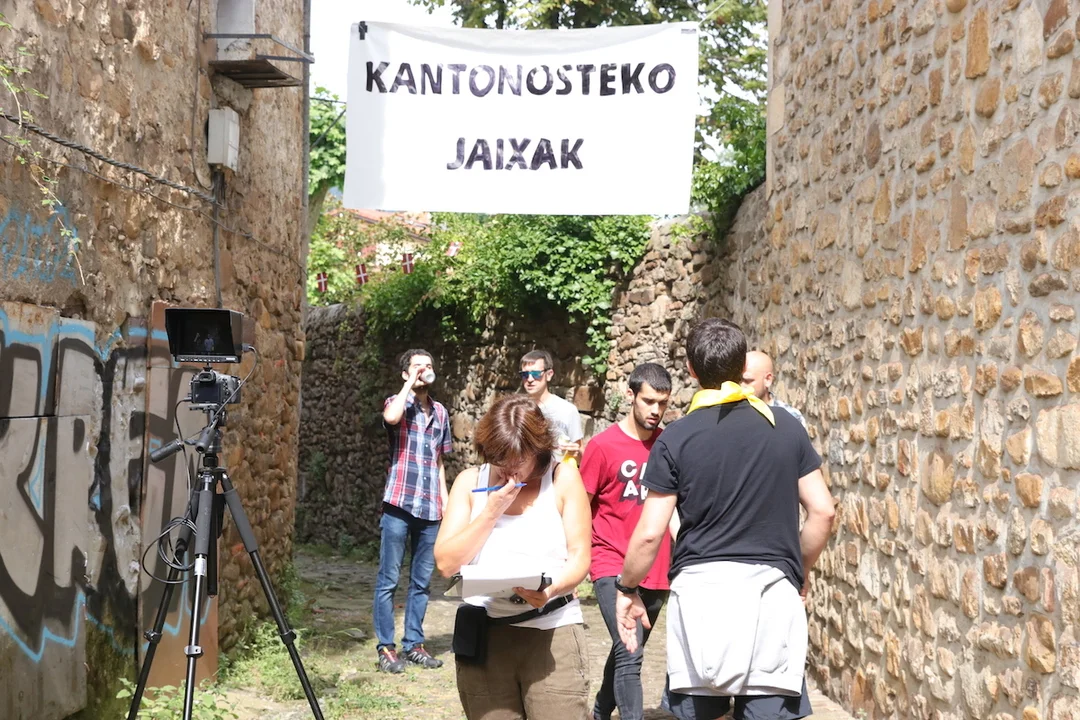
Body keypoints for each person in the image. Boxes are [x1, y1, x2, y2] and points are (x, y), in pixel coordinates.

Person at [614, 318, 836, 720]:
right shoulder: (786, 428)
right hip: (771, 593)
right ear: (742, 366)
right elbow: (823, 511)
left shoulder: (675, 438)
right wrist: (797, 570)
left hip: (702, 596)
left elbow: (649, 534)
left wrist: (627, 588)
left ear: (691, 370)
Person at [434, 394, 592, 720]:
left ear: (538, 451)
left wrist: (551, 589)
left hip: (553, 629)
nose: (507, 468)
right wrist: (491, 512)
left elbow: (580, 556)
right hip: (485, 635)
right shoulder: (469, 482)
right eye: (498, 458)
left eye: (517, 460)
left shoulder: (562, 479)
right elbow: (446, 563)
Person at [580, 363, 674, 720]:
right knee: (630, 654)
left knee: (626, 649)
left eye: (662, 403)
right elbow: (580, 508)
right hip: (610, 562)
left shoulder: (669, 445)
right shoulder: (602, 447)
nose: (655, 410)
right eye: (648, 401)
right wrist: (575, 563)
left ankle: (600, 711)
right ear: (630, 395)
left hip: (656, 566)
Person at [374, 349, 453, 673]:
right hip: (399, 504)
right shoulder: (397, 403)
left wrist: (445, 501)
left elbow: (439, 460)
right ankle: (386, 648)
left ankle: (414, 645)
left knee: (422, 583)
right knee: (388, 580)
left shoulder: (441, 412)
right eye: (417, 366)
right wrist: (410, 385)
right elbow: (391, 418)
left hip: (430, 507)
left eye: (429, 366)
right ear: (406, 373)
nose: (424, 370)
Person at [519, 349, 584, 464]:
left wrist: (575, 453)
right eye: (525, 374)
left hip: (558, 473)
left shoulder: (567, 410)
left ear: (549, 375)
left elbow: (581, 456)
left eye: (536, 374)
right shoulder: (517, 410)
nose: (530, 379)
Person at [742, 350, 807, 429]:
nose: (741, 386)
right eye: (738, 380)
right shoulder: (731, 414)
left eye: (747, 381)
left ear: (768, 380)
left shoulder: (792, 418)